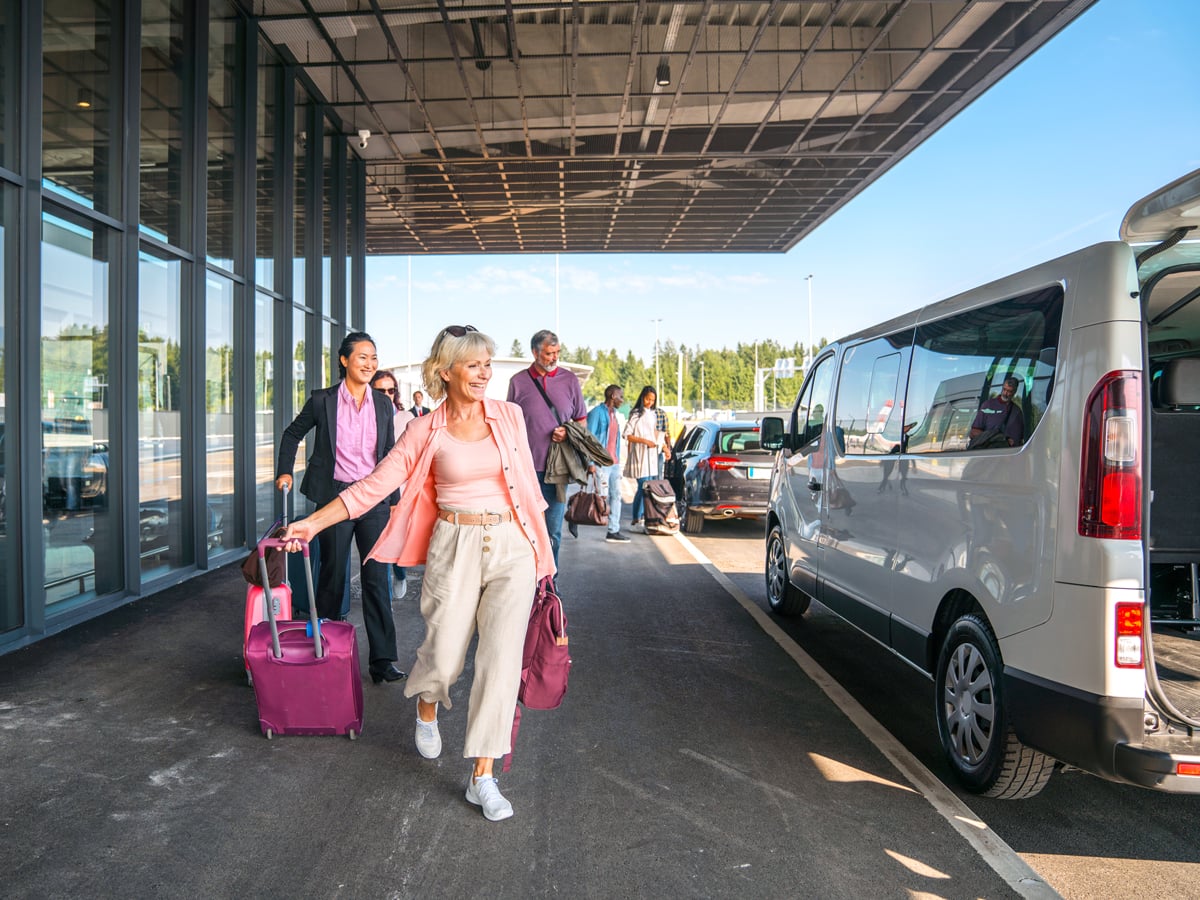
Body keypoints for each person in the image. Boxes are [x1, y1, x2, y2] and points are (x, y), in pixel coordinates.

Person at [282, 325, 554, 823]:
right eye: (472, 364)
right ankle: (427, 705)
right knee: (444, 657)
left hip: (512, 547)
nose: (483, 373)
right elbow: (373, 485)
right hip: (454, 544)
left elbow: (529, 488)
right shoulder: (423, 430)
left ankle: (483, 776)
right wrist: (312, 521)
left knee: (500, 662)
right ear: (446, 371)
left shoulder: (509, 416)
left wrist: (541, 554)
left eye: (487, 364)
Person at [274, 332, 405, 685]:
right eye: (362, 357)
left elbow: (391, 454)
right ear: (344, 360)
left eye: (373, 357)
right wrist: (284, 470)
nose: (369, 364)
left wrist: (393, 502)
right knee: (332, 575)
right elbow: (291, 435)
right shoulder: (323, 401)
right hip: (334, 499)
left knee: (377, 578)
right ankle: (326, 651)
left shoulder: (383, 404)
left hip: (373, 500)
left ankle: (382, 660)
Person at [506, 329, 587, 568]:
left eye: (557, 353)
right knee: (524, 531)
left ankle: (551, 584)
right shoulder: (518, 382)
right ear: (535, 352)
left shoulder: (569, 380)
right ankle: (527, 584)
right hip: (524, 471)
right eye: (549, 353)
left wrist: (568, 432)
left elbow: (581, 421)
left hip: (557, 471)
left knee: (552, 532)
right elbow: (510, 425)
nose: (554, 358)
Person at [371, 369, 415, 599]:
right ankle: (384, 590)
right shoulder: (366, 416)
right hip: (375, 488)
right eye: (381, 390)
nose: (387, 394)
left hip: (401, 488)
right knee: (379, 540)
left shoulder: (405, 418)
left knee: (396, 537)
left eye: (391, 390)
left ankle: (400, 574)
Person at [585, 385, 630, 542]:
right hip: (601, 462)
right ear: (612, 396)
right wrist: (590, 462)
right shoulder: (597, 413)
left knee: (616, 495)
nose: (622, 400)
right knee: (600, 496)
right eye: (620, 397)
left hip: (614, 463)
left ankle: (613, 530)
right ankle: (576, 517)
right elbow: (588, 438)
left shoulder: (615, 415)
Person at [623, 386, 669, 531]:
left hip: (652, 457)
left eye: (652, 400)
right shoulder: (636, 414)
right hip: (640, 455)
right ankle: (637, 517)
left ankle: (643, 517)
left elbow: (657, 436)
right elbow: (627, 435)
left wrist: (665, 448)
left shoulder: (654, 414)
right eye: (648, 399)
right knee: (643, 487)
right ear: (642, 397)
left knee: (647, 488)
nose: (650, 402)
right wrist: (644, 441)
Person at [969, 376, 1024, 448]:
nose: (1005, 393)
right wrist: (997, 438)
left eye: (1009, 391)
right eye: (1004, 389)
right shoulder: (988, 405)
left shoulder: (1017, 412)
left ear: (1014, 392)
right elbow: (973, 432)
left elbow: (1020, 439)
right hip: (988, 452)